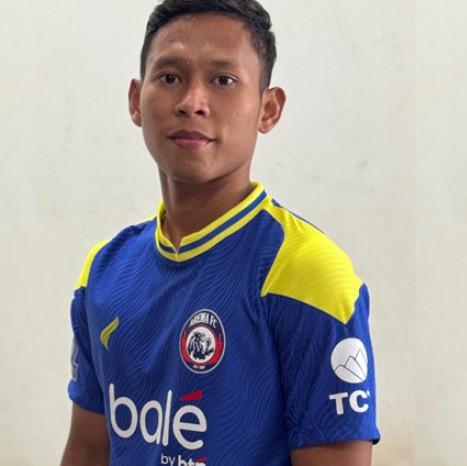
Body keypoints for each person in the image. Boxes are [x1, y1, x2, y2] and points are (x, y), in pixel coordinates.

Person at [60, 1, 379, 465]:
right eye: (170, 77)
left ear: (268, 109)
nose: (192, 102)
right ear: (136, 100)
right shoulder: (105, 272)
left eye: (223, 80)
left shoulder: (307, 274)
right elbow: (88, 451)